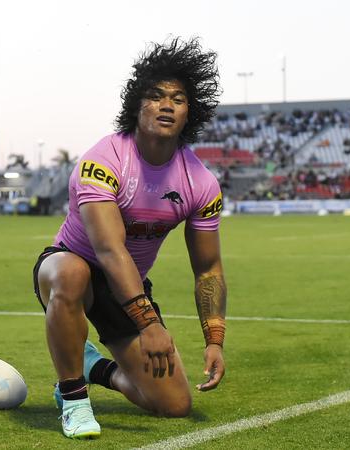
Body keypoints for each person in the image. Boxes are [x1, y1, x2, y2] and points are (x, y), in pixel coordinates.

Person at [32, 37, 227, 439]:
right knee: (71, 274)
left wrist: (215, 338)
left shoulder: (202, 183)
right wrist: (149, 323)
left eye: (178, 98)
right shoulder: (103, 161)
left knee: (173, 406)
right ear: (136, 105)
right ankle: (74, 400)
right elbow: (108, 248)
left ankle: (93, 367)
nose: (167, 105)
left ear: (191, 112)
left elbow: (208, 269)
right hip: (71, 267)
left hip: (126, 285)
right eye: (155, 96)